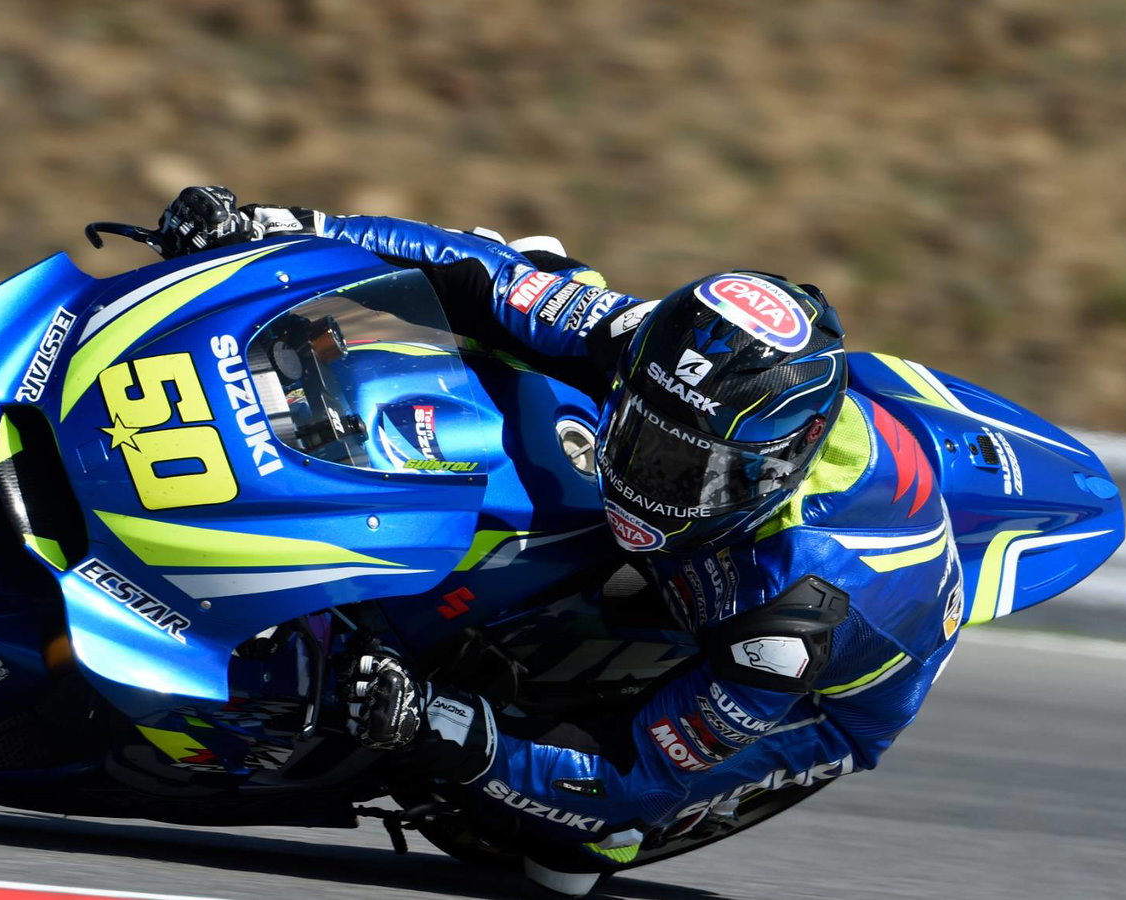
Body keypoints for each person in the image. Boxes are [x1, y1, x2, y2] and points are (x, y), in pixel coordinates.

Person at [156, 187, 964, 896]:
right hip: (716, 541)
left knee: (577, 841)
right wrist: (279, 226)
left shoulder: (794, 615)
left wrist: (431, 722)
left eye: (686, 470)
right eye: (642, 436)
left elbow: (630, 774)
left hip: (809, 689)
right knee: (533, 281)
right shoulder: (657, 354)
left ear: (771, 471)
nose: (647, 478)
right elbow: (486, 274)